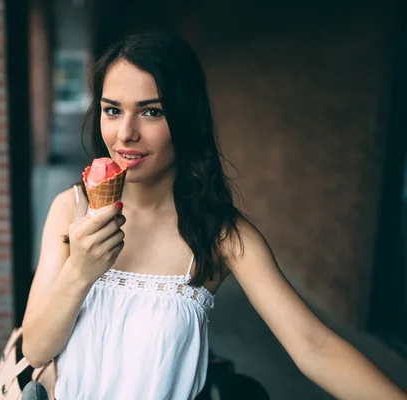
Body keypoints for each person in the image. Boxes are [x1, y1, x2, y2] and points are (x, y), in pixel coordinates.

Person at [21, 32, 407, 399]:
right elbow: (36, 351)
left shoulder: (220, 234)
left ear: (186, 117)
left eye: (152, 111)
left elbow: (313, 346)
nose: (125, 133)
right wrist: (81, 271)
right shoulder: (70, 208)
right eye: (112, 110)